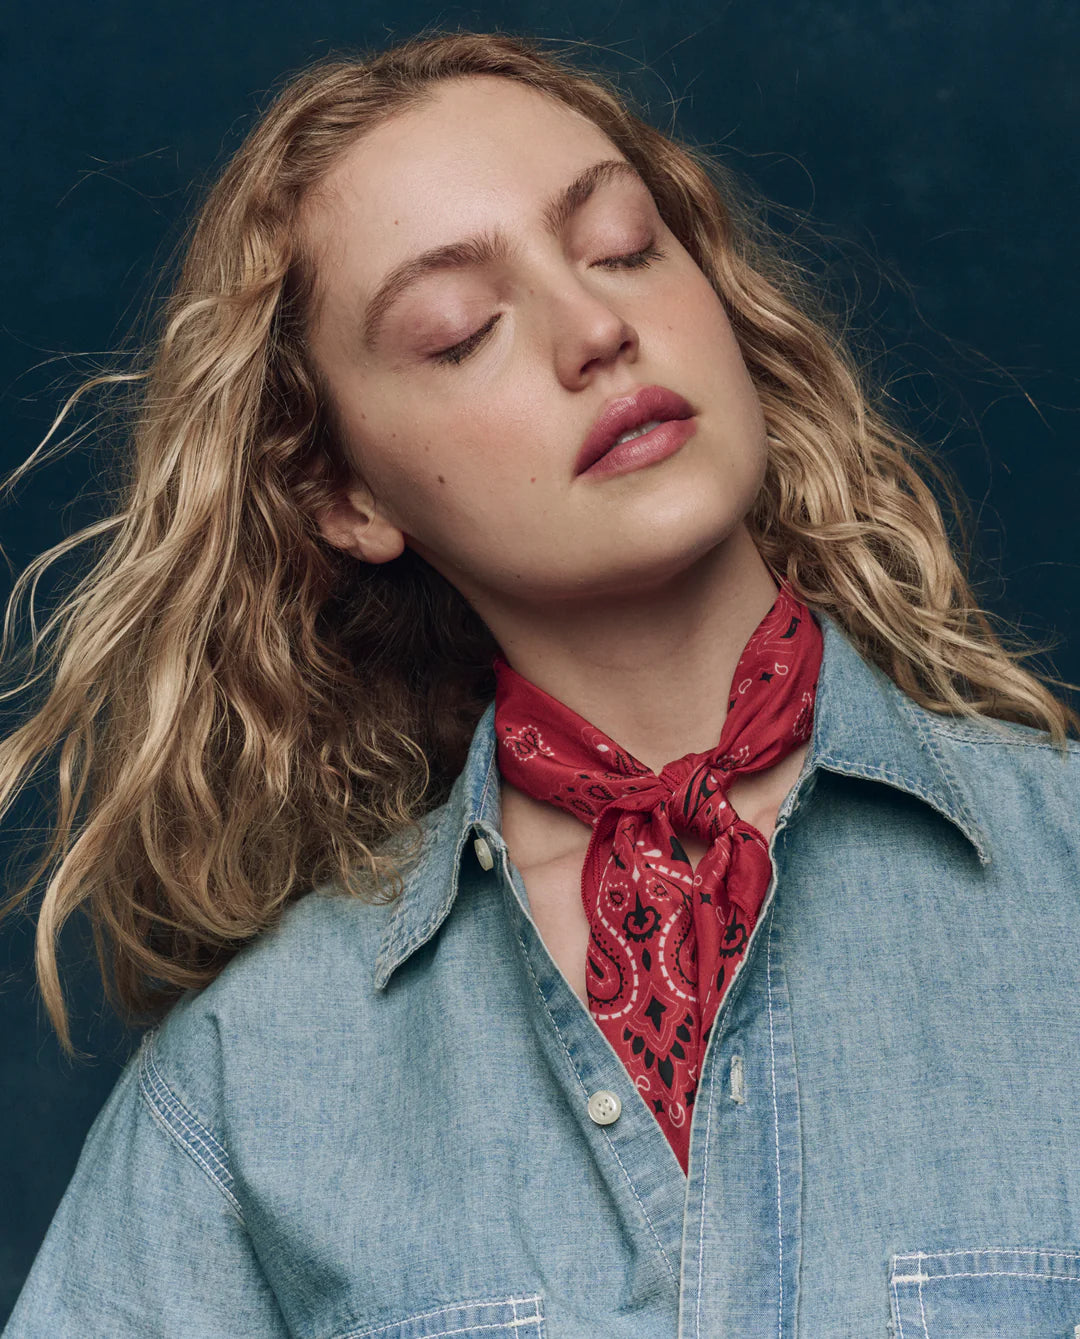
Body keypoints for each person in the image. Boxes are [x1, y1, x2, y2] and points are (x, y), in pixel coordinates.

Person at [2, 28, 1078, 1339]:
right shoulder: (251, 1088)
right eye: (460, 333)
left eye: (623, 248)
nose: (598, 330)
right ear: (343, 495)